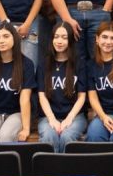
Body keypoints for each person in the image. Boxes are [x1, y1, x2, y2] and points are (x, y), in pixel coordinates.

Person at [36, 20, 87, 151]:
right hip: (48, 116)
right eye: (56, 37)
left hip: (75, 116)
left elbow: (82, 97)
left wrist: (69, 119)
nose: (59, 41)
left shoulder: (79, 64)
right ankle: (51, 165)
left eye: (64, 37)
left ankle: (66, 164)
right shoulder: (44, 64)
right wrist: (52, 119)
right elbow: (42, 96)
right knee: (49, 136)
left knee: (67, 136)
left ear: (70, 40)